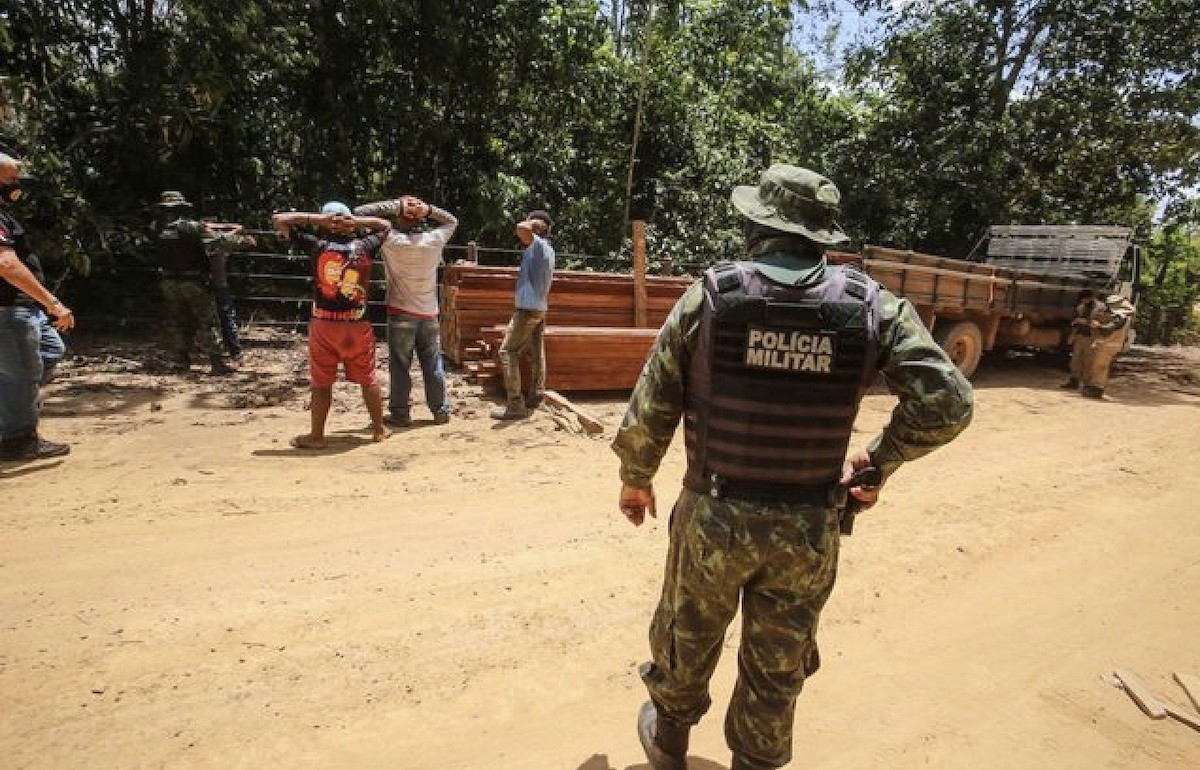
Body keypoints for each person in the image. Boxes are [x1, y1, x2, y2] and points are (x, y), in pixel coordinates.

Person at [610, 165, 975, 770]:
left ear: (758, 224)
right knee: (777, 664)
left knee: (686, 634)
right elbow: (949, 402)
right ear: (822, 236)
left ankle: (669, 740)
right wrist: (879, 464)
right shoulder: (870, 305)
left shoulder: (714, 294)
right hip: (808, 527)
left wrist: (636, 476)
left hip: (714, 516)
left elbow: (655, 399)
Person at [272, 202, 392, 449]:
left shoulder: (317, 246)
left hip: (324, 325)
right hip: (358, 324)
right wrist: (357, 222)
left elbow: (279, 220)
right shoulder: (364, 246)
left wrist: (318, 220)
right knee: (369, 379)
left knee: (321, 381)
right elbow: (387, 226)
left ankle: (317, 437)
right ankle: (379, 429)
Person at [353, 194, 458, 426]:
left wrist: (396, 206)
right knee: (432, 364)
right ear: (421, 220)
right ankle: (440, 411)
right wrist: (428, 208)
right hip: (430, 314)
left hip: (400, 313)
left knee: (400, 366)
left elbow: (358, 213)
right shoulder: (434, 239)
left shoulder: (390, 239)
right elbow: (452, 221)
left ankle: (400, 414)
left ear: (398, 219)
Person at [0, 151, 75, 461]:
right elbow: (6, 264)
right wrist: (53, 302)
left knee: (49, 352)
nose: (17, 185)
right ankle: (18, 440)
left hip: (22, 309)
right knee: (21, 374)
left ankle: (14, 413)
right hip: (8, 309)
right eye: (11, 179)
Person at [154, 191, 256, 374]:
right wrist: (244, 241)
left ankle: (180, 361)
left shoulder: (157, 228)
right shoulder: (191, 227)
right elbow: (219, 241)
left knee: (178, 321)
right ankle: (216, 363)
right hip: (193, 280)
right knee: (208, 321)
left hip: (168, 281)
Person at [491, 210, 555, 420]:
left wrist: (533, 221)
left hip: (527, 309)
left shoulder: (538, 245)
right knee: (536, 353)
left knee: (507, 352)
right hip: (539, 307)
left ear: (540, 229)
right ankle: (536, 396)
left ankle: (515, 405)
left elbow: (520, 228)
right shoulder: (547, 249)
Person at [1061, 288, 1134, 399]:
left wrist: (1095, 325)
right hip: (1098, 341)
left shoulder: (1117, 316)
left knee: (1096, 365)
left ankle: (1094, 387)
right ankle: (1085, 384)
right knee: (1084, 362)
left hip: (1102, 341)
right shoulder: (1120, 316)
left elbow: (1107, 328)